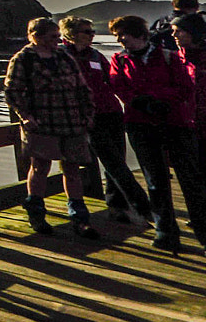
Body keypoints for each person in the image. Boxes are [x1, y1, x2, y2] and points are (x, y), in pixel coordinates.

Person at [107, 15, 206, 255]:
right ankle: (165, 232)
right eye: (117, 36)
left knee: (190, 180)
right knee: (155, 181)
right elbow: (117, 86)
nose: (121, 40)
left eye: (124, 34)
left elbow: (186, 87)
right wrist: (139, 101)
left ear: (140, 34)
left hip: (174, 124)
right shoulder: (119, 59)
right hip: (140, 126)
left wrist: (159, 99)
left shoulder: (169, 57)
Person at [5, 17, 99, 237]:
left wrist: (88, 114)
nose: (57, 40)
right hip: (41, 122)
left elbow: (82, 87)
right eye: (52, 37)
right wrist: (25, 116)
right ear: (36, 36)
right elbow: (12, 92)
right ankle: (36, 214)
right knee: (40, 168)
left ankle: (79, 217)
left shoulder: (64, 56)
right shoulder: (22, 59)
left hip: (71, 121)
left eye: (58, 36)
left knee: (73, 169)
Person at [59, 16, 152, 223]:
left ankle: (116, 205)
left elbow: (112, 81)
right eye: (87, 31)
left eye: (93, 32)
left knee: (117, 158)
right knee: (112, 161)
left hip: (112, 111)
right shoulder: (62, 56)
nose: (92, 35)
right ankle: (144, 206)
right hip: (88, 116)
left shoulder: (95, 55)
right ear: (71, 33)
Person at [171, 13, 206, 192]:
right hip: (186, 125)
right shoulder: (174, 59)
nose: (174, 36)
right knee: (192, 173)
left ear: (193, 33)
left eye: (178, 31)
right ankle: (201, 215)